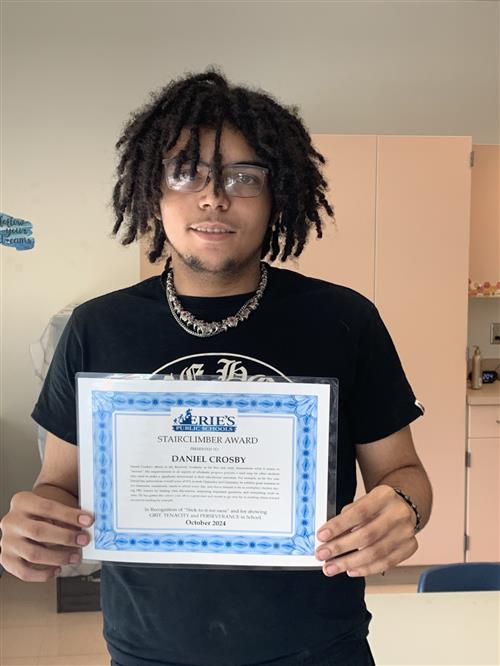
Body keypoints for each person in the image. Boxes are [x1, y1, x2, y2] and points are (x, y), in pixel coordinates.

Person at [0, 67, 433, 666]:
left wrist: (402, 509)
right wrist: (35, 523)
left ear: (277, 194)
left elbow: (406, 474)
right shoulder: (96, 328)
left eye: (242, 176)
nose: (213, 196)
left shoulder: (343, 319)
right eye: (186, 172)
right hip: (148, 650)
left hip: (318, 648)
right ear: (152, 191)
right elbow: (58, 484)